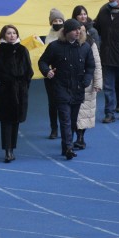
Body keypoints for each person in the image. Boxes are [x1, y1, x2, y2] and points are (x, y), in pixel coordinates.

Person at [38, 19, 95, 160]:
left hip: (78, 88)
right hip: (60, 87)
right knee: (65, 119)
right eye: (74, 30)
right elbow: (42, 61)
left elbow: (90, 66)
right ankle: (69, 147)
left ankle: (65, 146)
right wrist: (47, 71)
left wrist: (87, 79)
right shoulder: (54, 47)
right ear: (66, 32)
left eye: (79, 30)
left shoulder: (85, 47)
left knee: (73, 119)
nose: (78, 32)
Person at [0, 25, 33, 163]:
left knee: (16, 121)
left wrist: (24, 86)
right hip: (4, 93)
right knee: (6, 122)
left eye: (14, 33)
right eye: (9, 33)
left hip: (19, 92)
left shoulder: (23, 50)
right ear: (3, 35)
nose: (12, 35)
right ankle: (7, 150)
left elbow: (29, 71)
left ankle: (12, 148)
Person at [72, 21, 102, 151]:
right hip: (71, 83)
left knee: (84, 113)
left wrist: (97, 82)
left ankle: (80, 138)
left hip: (86, 83)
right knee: (73, 113)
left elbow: (96, 63)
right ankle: (72, 137)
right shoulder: (66, 44)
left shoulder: (90, 43)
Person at [43, 8, 65, 138]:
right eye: (55, 21)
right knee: (52, 103)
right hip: (50, 75)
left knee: (64, 102)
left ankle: (65, 127)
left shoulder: (66, 35)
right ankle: (54, 129)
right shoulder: (48, 36)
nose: (57, 22)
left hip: (63, 74)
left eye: (60, 20)